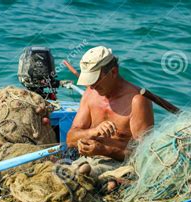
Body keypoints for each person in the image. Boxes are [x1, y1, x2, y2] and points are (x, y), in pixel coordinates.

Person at [66, 46, 154, 183]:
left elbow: (144, 155)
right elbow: (70, 139)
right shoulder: (90, 94)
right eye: (90, 81)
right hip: (87, 160)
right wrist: (92, 132)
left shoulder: (136, 101)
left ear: (113, 72)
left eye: (95, 80)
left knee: (98, 179)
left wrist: (106, 150)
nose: (92, 86)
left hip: (119, 165)